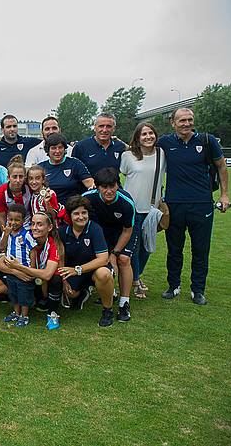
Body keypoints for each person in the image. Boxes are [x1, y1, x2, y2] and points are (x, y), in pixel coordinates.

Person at [156, 108, 231, 305]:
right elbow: (141, 145)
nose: (186, 124)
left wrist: (224, 194)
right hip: (174, 204)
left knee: (200, 249)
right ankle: (173, 286)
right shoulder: (165, 142)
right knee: (174, 249)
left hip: (202, 203)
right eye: (182, 120)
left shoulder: (207, 140)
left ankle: (198, 290)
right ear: (173, 123)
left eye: (189, 120)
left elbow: (221, 166)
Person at [82, 168, 137, 322]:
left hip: (123, 231)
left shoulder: (126, 203)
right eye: (104, 187)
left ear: (117, 185)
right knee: (102, 261)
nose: (108, 191)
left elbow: (127, 231)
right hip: (101, 232)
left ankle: (124, 302)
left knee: (124, 260)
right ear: (97, 187)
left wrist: (115, 252)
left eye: (112, 186)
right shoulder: (87, 198)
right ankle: (107, 292)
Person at [120, 122, 166, 298]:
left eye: (151, 133)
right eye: (144, 134)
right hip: (133, 208)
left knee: (147, 246)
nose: (148, 137)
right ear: (137, 138)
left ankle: (136, 277)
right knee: (134, 246)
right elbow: (122, 174)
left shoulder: (161, 154)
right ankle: (137, 281)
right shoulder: (128, 156)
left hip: (152, 208)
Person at [57, 195, 116, 327]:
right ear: (70, 216)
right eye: (76, 213)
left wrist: (78, 270)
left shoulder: (95, 229)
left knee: (104, 275)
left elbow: (102, 259)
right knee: (70, 293)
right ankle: (83, 291)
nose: (81, 217)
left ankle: (108, 310)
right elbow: (60, 257)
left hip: (94, 269)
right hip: (75, 271)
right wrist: (64, 280)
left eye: (84, 213)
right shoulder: (62, 232)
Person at [2, 212, 63, 329]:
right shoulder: (23, 235)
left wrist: (19, 267)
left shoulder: (54, 245)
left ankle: (52, 312)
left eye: (39, 224)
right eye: (33, 224)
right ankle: (19, 310)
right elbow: (0, 263)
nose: (35, 228)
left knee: (56, 279)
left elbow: (47, 275)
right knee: (0, 285)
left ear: (49, 228)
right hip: (28, 278)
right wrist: (16, 272)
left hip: (43, 281)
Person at [0, 204, 37, 327]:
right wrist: (6, 234)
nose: (13, 222)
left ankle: (24, 316)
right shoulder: (6, 233)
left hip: (23, 270)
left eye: (17, 220)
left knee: (24, 294)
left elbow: (33, 251)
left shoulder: (26, 234)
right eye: (11, 219)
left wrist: (32, 270)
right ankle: (16, 313)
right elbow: (2, 248)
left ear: (23, 221)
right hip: (10, 270)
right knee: (13, 293)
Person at [39, 133, 94, 206]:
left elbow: (90, 183)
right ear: (47, 150)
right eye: (53, 148)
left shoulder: (75, 163)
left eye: (60, 147)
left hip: (73, 208)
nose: (57, 151)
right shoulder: (41, 167)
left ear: (65, 149)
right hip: (49, 208)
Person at [71, 113, 126, 177]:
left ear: (114, 129)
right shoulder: (80, 147)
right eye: (101, 126)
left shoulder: (120, 146)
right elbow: (73, 173)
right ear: (94, 127)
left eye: (109, 126)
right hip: (89, 187)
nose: (104, 130)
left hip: (114, 187)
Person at [0, 156, 32, 231]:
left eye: (21, 177)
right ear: (8, 177)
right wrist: (5, 235)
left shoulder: (30, 187)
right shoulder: (0, 194)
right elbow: (2, 218)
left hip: (30, 223)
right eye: (14, 177)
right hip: (11, 225)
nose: (18, 180)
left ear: (24, 177)